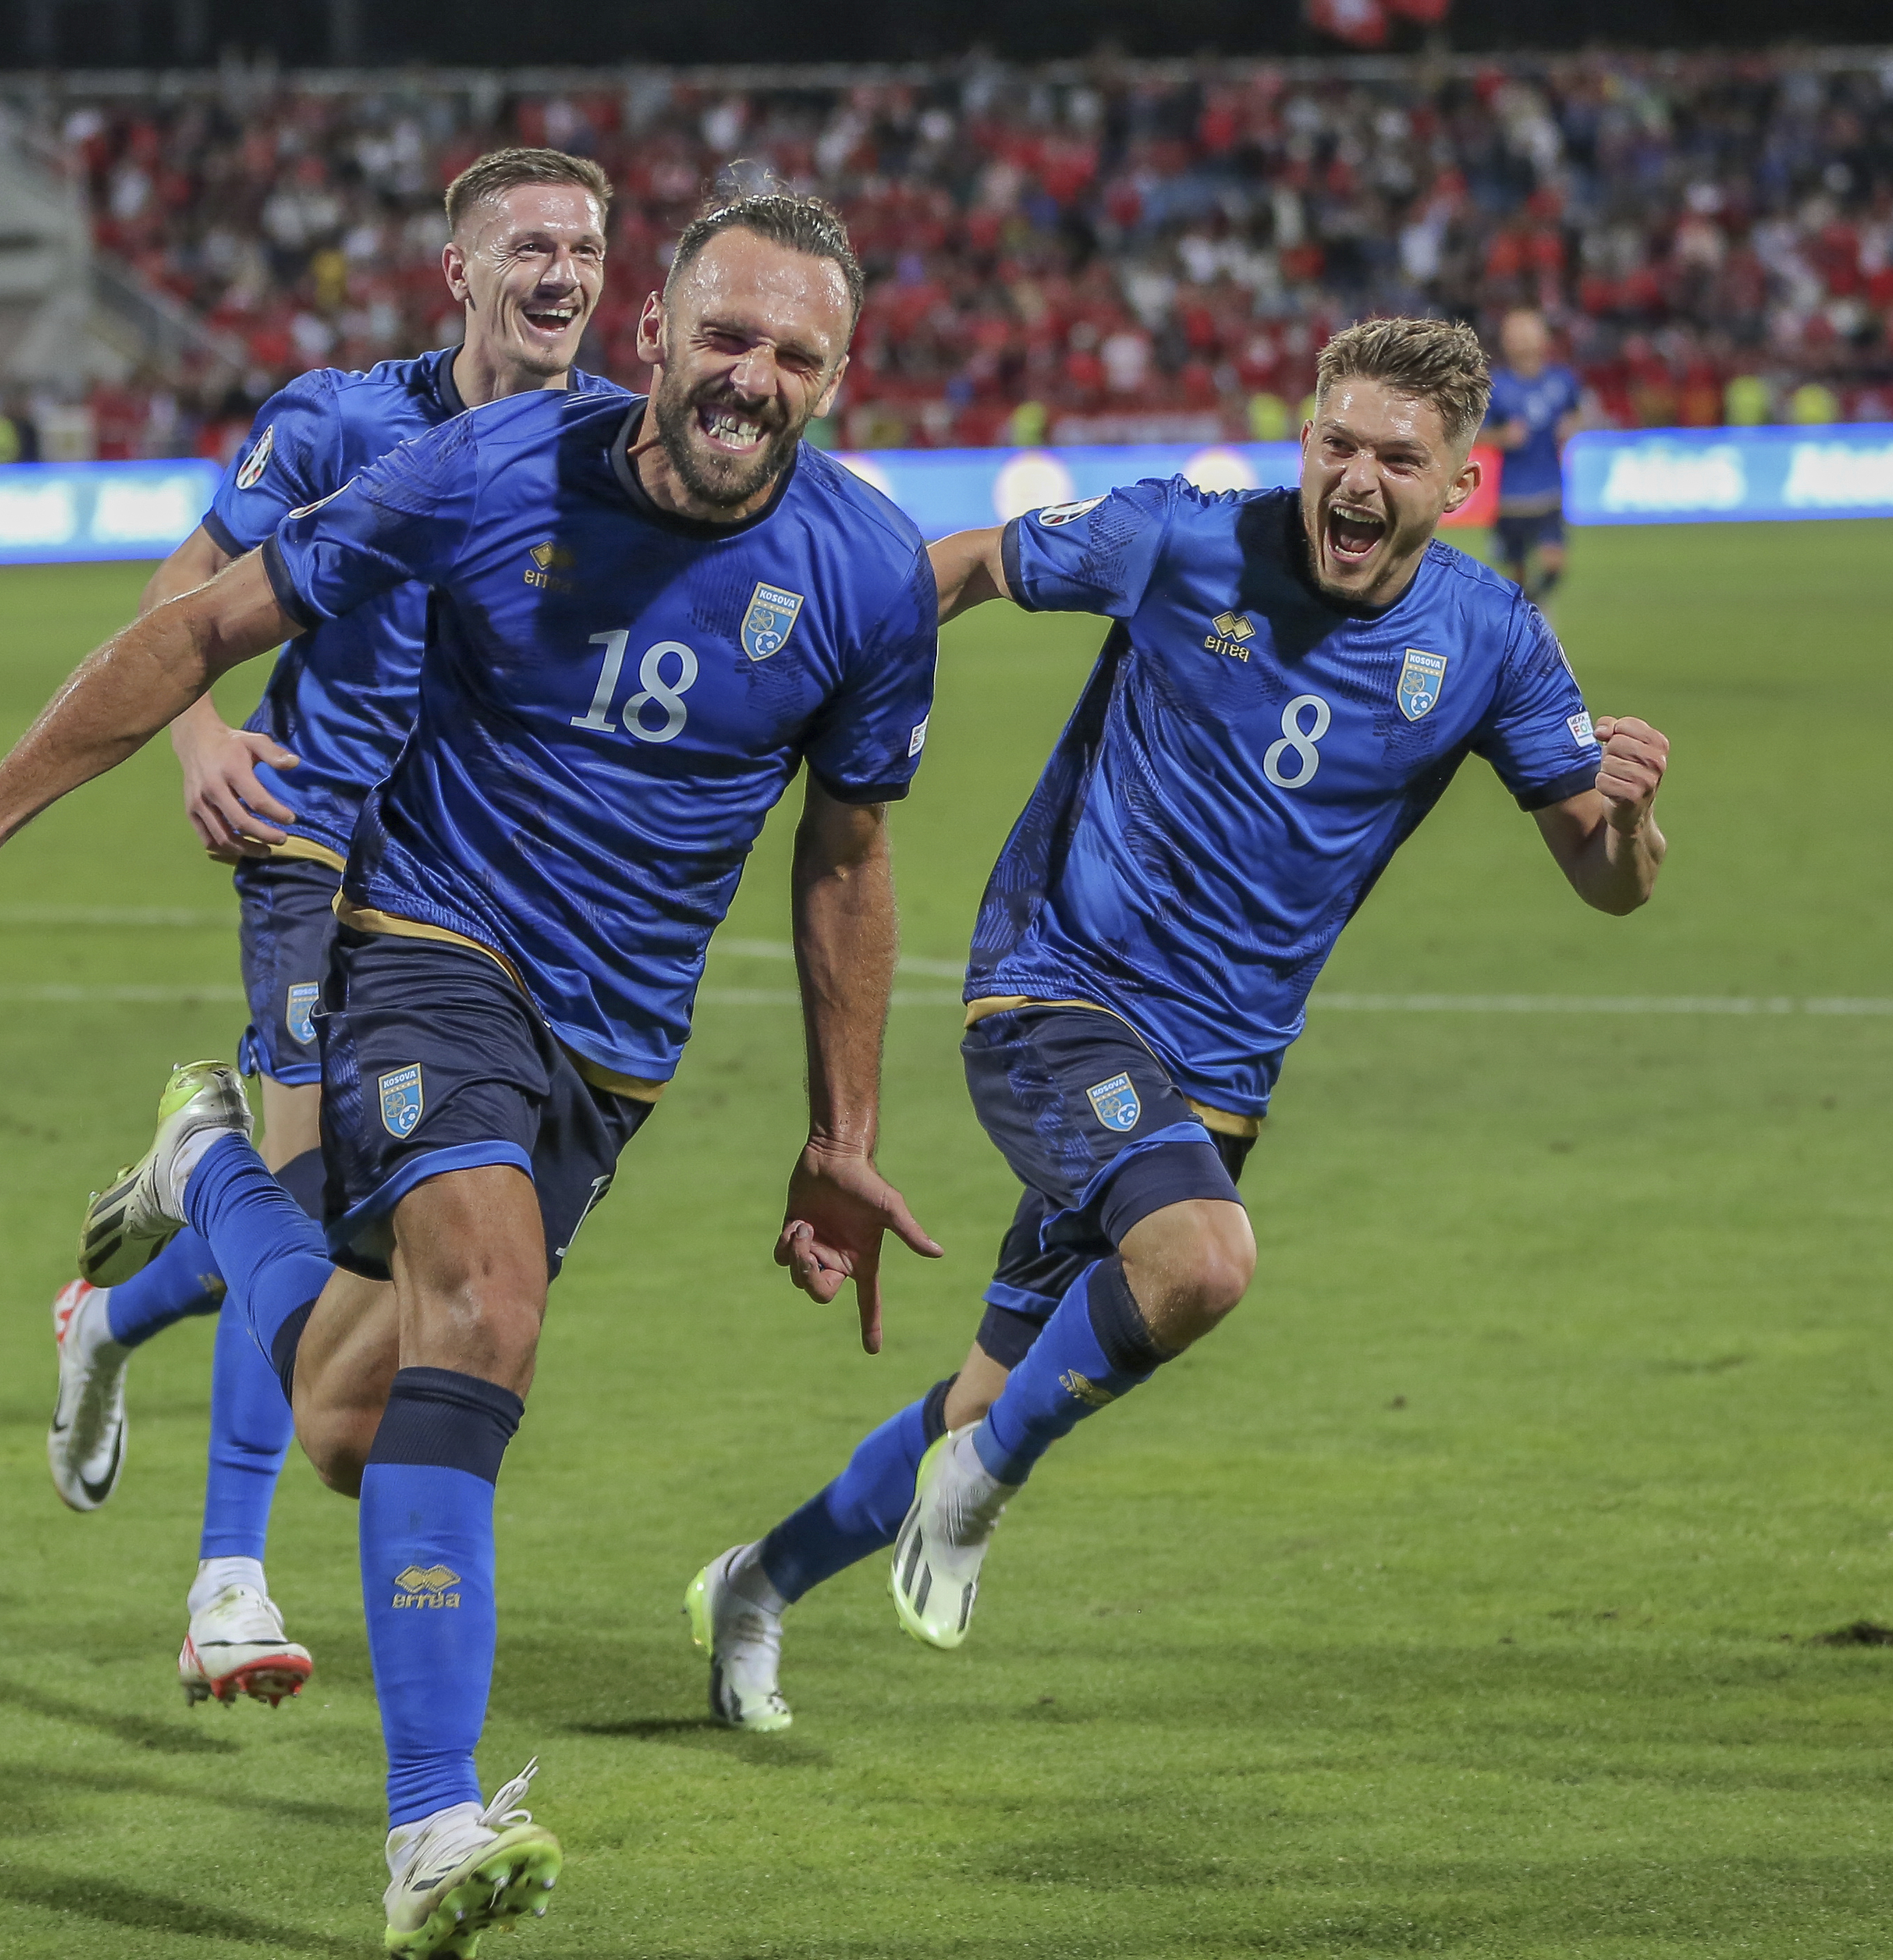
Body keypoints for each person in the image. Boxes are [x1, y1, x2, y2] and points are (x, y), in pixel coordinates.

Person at [0, 192, 941, 1956]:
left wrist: (837, 1136)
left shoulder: (863, 572)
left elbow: (844, 859)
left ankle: (207, 1174)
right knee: (481, 1308)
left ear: (835, 377)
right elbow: (198, 625)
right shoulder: (478, 470)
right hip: (421, 947)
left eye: (794, 355)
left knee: (346, 1419)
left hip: (610, 1050)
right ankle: (427, 1826)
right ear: (651, 337)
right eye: (722, 336)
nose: (751, 378)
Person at [686, 315, 1674, 1731]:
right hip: (1052, 996)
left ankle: (755, 1583)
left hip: (1214, 1076)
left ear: (1457, 481)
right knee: (1201, 1260)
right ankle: (976, 1490)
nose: (1354, 477)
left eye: (1395, 457)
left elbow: (1607, 879)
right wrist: (821, 665)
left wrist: (1630, 814)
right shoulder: (1175, 536)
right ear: (1303, 439)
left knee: (984, 1388)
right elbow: (964, 565)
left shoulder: (1488, 637)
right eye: (1334, 441)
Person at [44, 146, 622, 1723]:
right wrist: (198, 739)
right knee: (315, 1219)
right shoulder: (340, 418)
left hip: (481, 900)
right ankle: (227, 1582)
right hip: (312, 845)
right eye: (526, 245)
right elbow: (188, 577)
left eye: (580, 244)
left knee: (341, 1251)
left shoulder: (607, 449)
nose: (557, 270)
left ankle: (120, 1290)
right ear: (459, 271)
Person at [1482, 307, 1597, 606]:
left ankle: (1530, 608)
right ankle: (1525, 614)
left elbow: (1579, 412)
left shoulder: (1563, 380)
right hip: (1513, 498)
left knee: (1553, 565)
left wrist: (1573, 425)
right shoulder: (1497, 386)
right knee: (1515, 573)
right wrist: (1502, 436)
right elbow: (1475, 435)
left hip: (1549, 492)